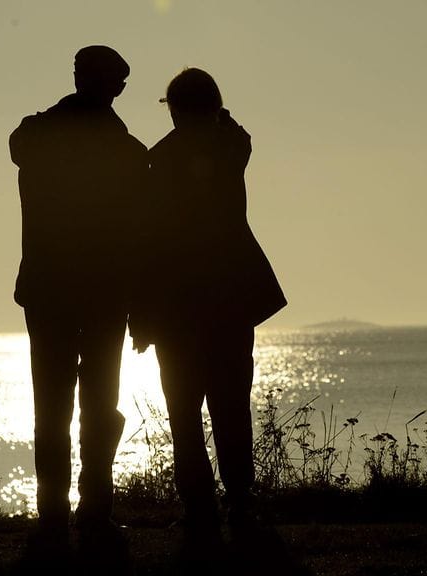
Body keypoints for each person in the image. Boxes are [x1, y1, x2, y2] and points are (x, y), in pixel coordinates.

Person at [131, 67, 287, 567]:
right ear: (215, 105)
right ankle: (240, 503)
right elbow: (238, 132)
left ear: (173, 109)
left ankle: (200, 508)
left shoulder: (156, 163)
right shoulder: (229, 151)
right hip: (230, 299)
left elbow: (146, 247)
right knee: (230, 405)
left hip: (177, 304)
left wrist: (142, 316)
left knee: (184, 412)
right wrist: (219, 114)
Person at [9, 45, 147, 568]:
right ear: (115, 87)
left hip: (50, 289)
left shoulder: (37, 136)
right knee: (97, 403)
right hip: (105, 292)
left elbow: (22, 140)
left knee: (53, 405)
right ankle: (92, 510)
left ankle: (55, 516)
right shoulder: (129, 153)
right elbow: (141, 233)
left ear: (76, 76)